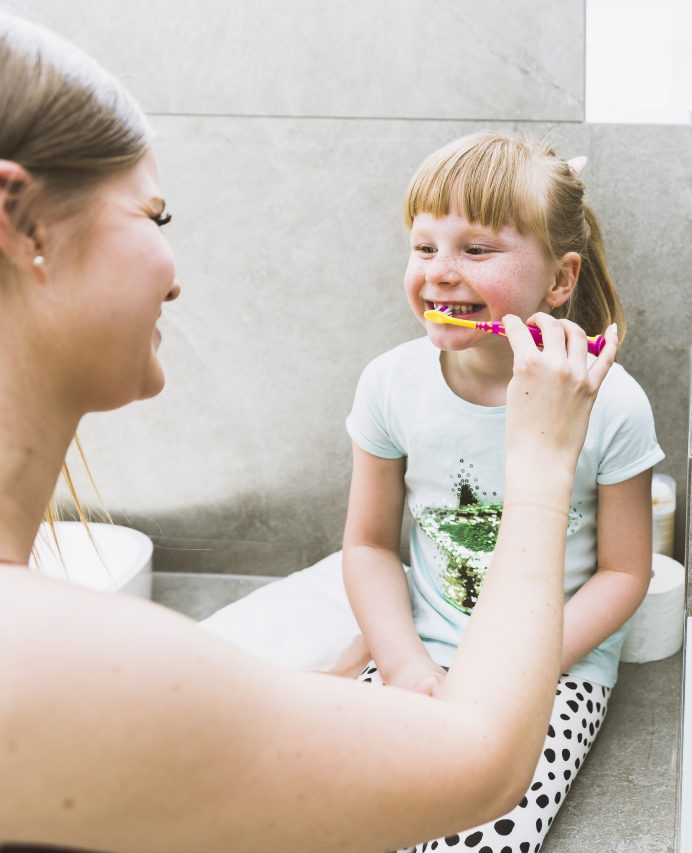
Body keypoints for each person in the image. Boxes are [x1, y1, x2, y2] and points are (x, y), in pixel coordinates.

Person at [0, 13, 618, 852]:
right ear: (20, 222)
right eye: (157, 217)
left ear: (560, 278)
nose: (176, 276)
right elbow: (480, 767)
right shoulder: (60, 659)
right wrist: (543, 455)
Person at [341, 131, 661, 852]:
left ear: (559, 279)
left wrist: (519, 666)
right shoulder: (390, 384)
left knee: (471, 835)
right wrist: (403, 664)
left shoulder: (610, 403)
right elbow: (366, 544)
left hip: (556, 666)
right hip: (419, 651)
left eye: (476, 251)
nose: (440, 273)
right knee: (329, 812)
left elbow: (625, 571)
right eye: (424, 247)